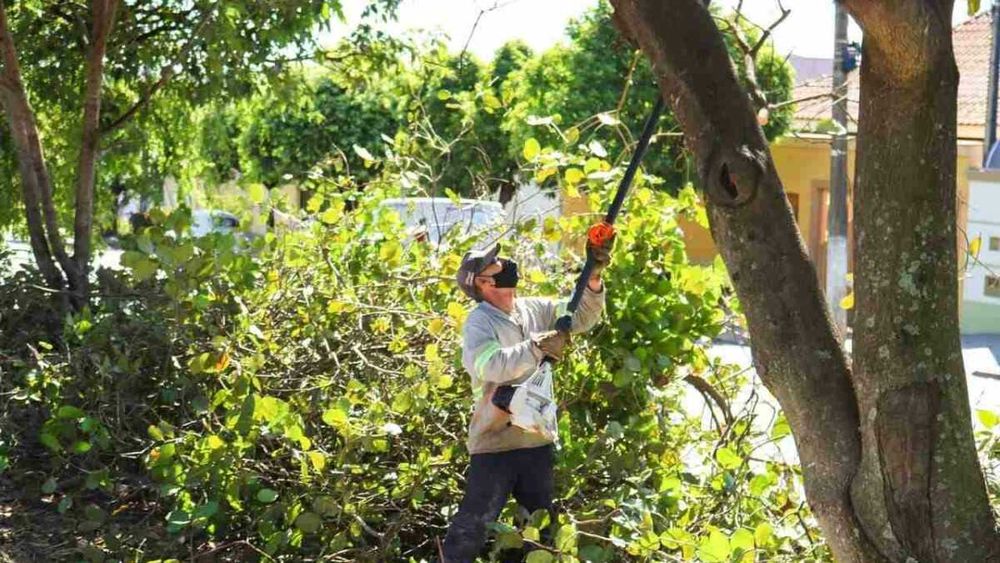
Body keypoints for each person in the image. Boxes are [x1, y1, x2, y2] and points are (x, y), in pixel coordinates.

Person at [442, 236, 613, 562]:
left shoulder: (533, 308)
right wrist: (535, 347)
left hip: (535, 440)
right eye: (495, 265)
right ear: (483, 283)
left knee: (538, 530)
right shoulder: (479, 323)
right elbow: (491, 365)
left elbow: (580, 317)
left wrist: (592, 279)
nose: (504, 266)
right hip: (495, 443)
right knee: (472, 527)